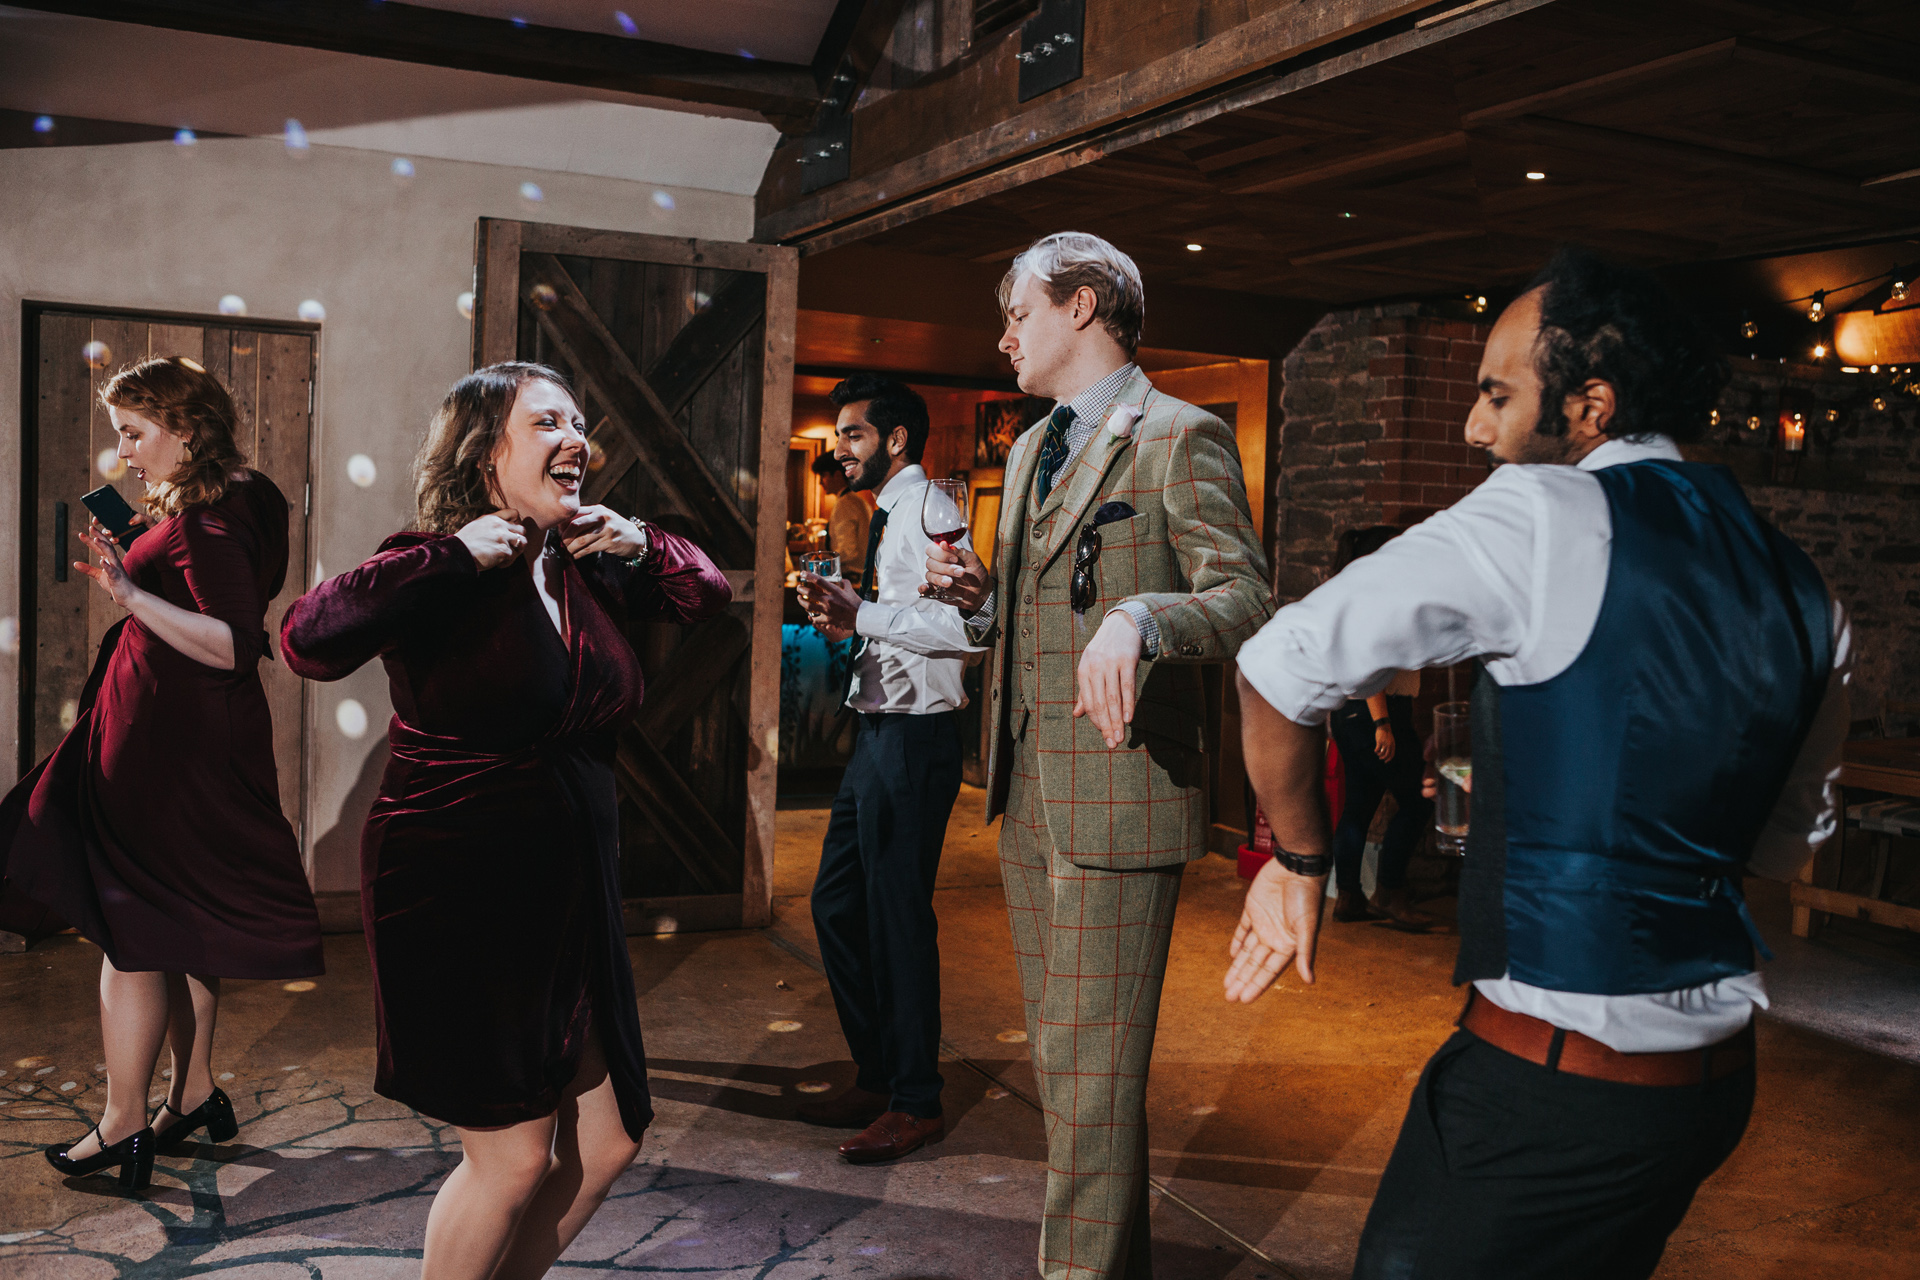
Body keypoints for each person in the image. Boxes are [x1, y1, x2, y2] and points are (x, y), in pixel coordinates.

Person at [1226, 249, 1850, 1280]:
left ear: (1590, 404)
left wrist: (1299, 863)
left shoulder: (1541, 513)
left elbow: (1277, 664)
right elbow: (1782, 852)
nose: (1477, 428)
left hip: (1551, 1093)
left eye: (1497, 392)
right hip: (1707, 1094)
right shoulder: (1805, 585)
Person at [280, 362, 729, 1280]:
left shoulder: (585, 564)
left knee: (606, 1145)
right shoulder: (432, 562)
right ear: (487, 453)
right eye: (548, 423)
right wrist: (451, 555)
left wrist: (639, 539)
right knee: (514, 1155)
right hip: (460, 885)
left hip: (572, 890)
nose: (578, 440)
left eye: (579, 422)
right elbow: (307, 641)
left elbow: (707, 597)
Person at [925, 231, 1274, 1279]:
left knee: (1089, 1083)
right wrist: (985, 601)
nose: (1004, 338)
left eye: (1018, 313)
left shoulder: (1181, 435)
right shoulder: (1033, 447)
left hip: (1118, 798)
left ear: (1082, 306)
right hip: (1029, 793)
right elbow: (1040, 610)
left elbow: (1246, 595)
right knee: (1077, 1078)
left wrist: (1142, 618)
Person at [0, 356, 322, 1190]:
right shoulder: (249, 494)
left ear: (187, 428)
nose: (124, 451)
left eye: (135, 434)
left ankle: (123, 1125)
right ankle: (194, 1093)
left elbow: (231, 641)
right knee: (183, 920)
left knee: (129, 929)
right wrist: (133, 543)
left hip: (168, 749)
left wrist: (127, 591)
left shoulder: (208, 521)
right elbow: (191, 555)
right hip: (195, 740)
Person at [791, 373, 984, 1163]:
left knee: (897, 919)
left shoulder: (932, 510)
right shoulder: (890, 513)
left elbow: (965, 628)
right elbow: (904, 621)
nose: (839, 448)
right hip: (879, 733)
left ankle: (916, 1101)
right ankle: (878, 1072)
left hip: (915, 739)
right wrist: (851, 625)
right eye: (839, 434)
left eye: (853, 434)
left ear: (895, 439)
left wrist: (862, 614)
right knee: (837, 904)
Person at [1323, 526, 1433, 929]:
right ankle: (1389, 890)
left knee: (1359, 806)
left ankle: (1350, 897)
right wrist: (1383, 724)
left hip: (1354, 715)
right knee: (1419, 800)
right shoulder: (1375, 599)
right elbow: (1368, 665)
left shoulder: (1355, 595)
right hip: (1376, 713)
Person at [812, 448, 872, 588]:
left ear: (838, 475)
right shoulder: (858, 501)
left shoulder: (844, 504)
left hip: (849, 579)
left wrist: (819, 565)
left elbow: (848, 551)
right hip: (862, 578)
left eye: (824, 475)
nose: (821, 482)